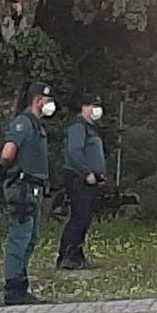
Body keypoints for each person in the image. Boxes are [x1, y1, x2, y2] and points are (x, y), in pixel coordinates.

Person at [0, 81, 56, 305]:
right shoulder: (23, 123)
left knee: (30, 237)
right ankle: (13, 287)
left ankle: (21, 282)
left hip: (34, 188)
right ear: (38, 100)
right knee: (19, 236)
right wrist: (4, 163)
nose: (50, 105)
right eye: (47, 101)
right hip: (22, 188)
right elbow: (10, 147)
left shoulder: (37, 125)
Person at [58, 92, 106, 270]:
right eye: (93, 106)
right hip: (79, 178)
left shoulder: (89, 127)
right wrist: (86, 172)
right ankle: (67, 256)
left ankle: (76, 255)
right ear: (84, 107)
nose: (96, 110)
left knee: (84, 218)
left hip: (88, 179)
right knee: (79, 217)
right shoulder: (78, 127)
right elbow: (74, 151)